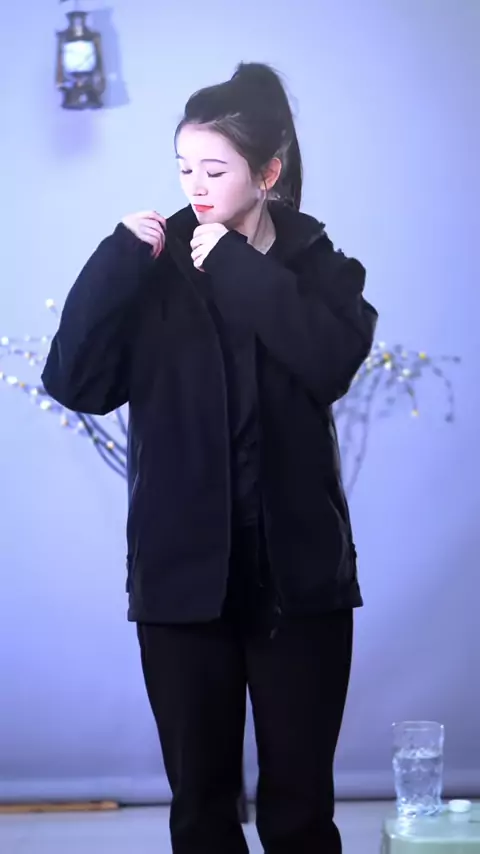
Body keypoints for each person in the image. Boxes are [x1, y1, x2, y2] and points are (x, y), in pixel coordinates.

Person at [42, 61, 378, 854]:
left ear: (268, 172)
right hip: (182, 579)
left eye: (215, 170)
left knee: (301, 813)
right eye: (184, 168)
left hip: (298, 580)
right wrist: (113, 262)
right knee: (200, 811)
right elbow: (76, 383)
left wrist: (230, 260)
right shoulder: (150, 269)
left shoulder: (322, 266)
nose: (195, 186)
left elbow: (329, 360)